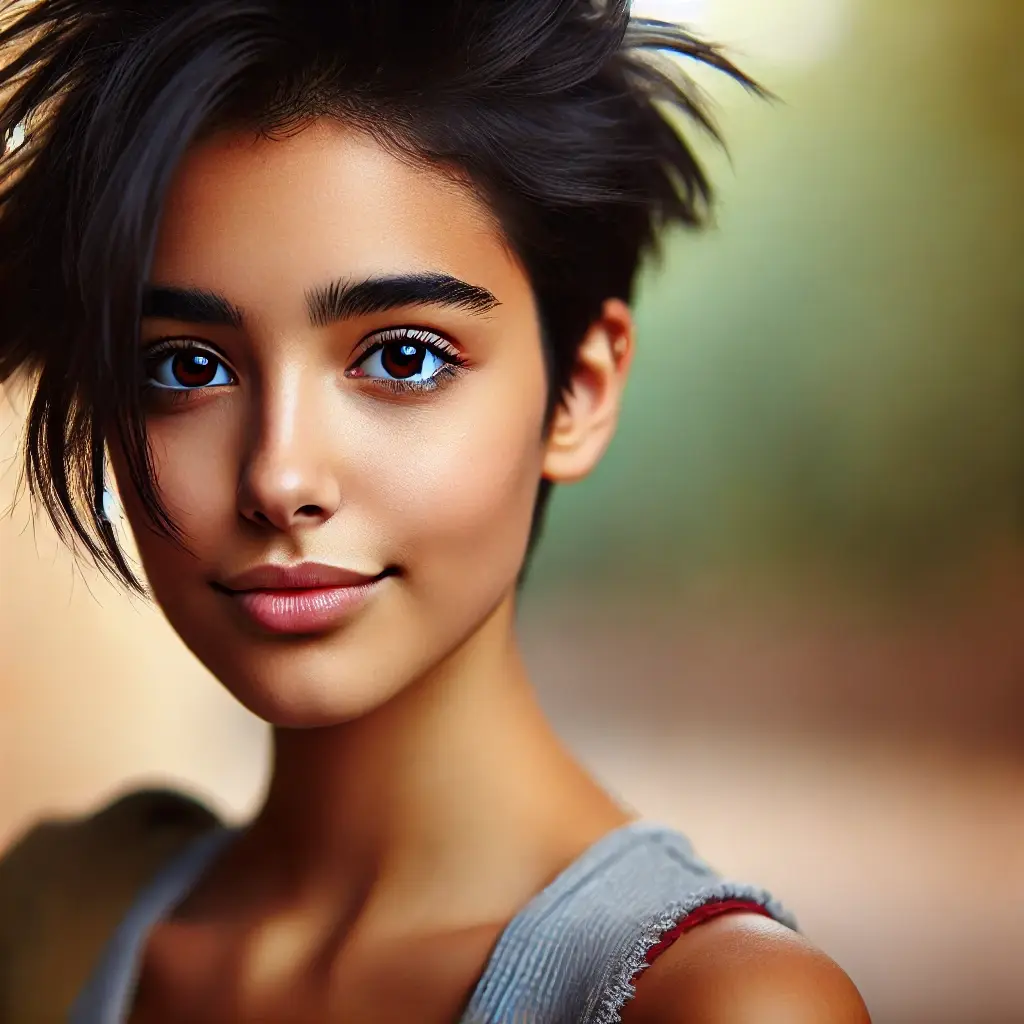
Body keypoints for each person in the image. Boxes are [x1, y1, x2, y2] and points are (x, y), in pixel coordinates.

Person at [0, 0, 870, 1020]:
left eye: (402, 357)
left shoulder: (716, 1002)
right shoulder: (53, 914)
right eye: (185, 366)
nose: (280, 476)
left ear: (578, 394)